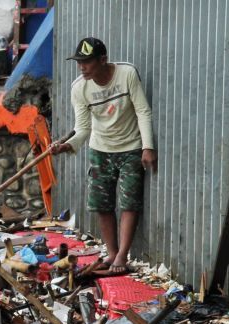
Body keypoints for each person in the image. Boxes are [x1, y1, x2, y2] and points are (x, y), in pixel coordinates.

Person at [51, 37, 157, 274]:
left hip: (131, 148)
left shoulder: (127, 74)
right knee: (101, 204)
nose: (82, 67)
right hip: (100, 149)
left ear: (102, 59)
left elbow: (142, 110)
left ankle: (122, 255)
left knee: (130, 202)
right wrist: (67, 146)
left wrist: (148, 146)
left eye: (87, 62)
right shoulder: (79, 88)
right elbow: (83, 129)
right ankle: (111, 252)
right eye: (79, 62)